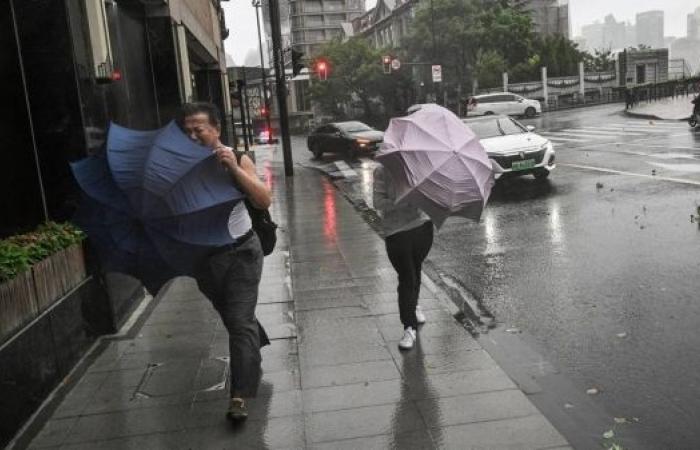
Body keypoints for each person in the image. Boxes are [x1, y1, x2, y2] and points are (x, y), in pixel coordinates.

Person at [176, 102, 272, 422]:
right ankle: (254, 344)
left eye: (198, 129)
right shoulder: (181, 168)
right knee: (235, 318)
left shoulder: (238, 155)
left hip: (243, 251)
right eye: (186, 131)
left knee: (239, 322)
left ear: (216, 129)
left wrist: (232, 167)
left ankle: (239, 396)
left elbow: (262, 198)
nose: (192, 136)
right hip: (205, 259)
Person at [373, 164, 433, 350]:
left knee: (415, 269)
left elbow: (431, 197)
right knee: (407, 277)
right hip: (396, 232)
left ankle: (414, 306)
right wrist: (402, 200)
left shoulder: (421, 167)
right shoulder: (382, 170)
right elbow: (377, 203)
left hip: (422, 227)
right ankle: (409, 327)